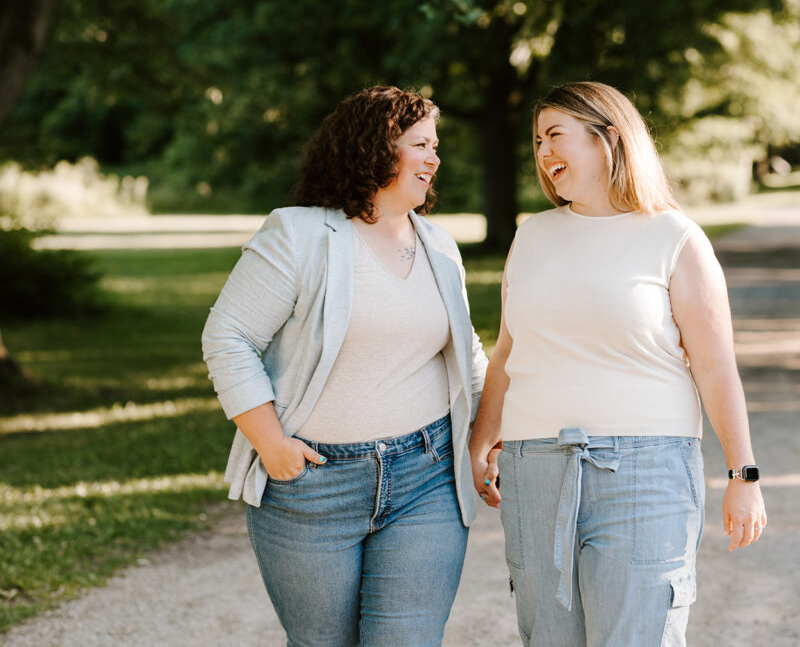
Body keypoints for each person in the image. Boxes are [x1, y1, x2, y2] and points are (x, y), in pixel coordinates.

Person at [468, 81, 767, 645]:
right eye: (536, 141)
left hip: (645, 472)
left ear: (608, 138)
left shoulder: (674, 238)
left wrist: (742, 474)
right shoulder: (530, 236)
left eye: (556, 135)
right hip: (534, 470)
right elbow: (509, 350)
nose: (543, 153)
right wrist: (482, 441)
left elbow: (715, 365)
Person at [202, 85, 487, 646]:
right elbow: (228, 336)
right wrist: (271, 444)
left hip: (425, 480)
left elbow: (467, 353)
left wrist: (487, 440)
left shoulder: (439, 245)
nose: (434, 159)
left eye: (436, 146)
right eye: (421, 144)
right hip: (313, 486)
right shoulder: (299, 235)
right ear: (376, 148)